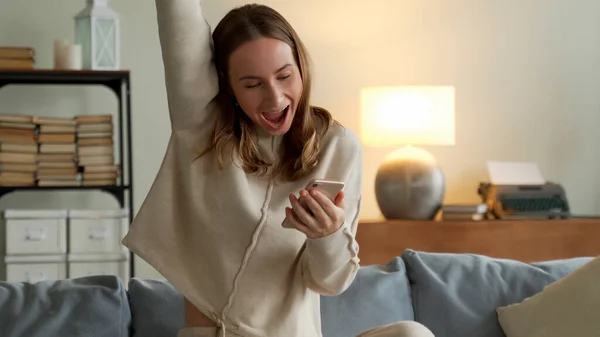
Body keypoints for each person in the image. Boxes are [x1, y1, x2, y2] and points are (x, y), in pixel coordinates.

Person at [122, 1, 435, 337]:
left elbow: (329, 283)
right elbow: (178, 21)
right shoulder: (201, 127)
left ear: (301, 67)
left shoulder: (337, 146)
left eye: (285, 76)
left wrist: (326, 235)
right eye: (253, 85)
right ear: (228, 85)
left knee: (412, 334)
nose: (274, 99)